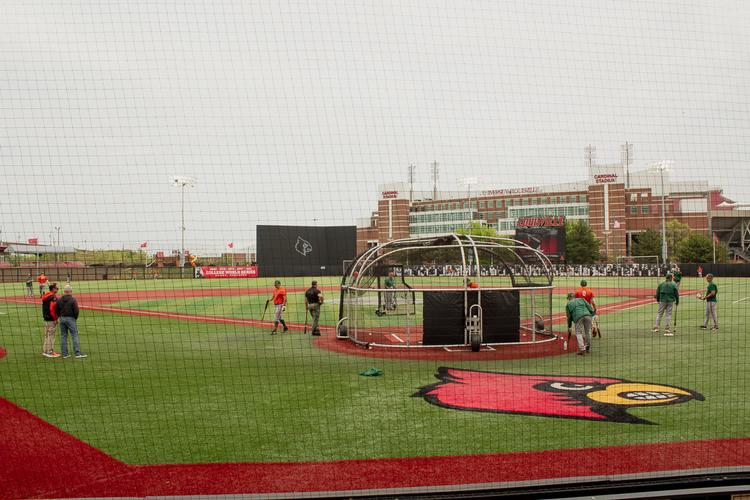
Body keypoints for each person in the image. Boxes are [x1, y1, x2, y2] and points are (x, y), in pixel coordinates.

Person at [57, 285, 86, 358]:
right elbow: (76, 311)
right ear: (70, 291)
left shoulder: (60, 299)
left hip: (62, 318)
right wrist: (74, 318)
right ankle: (77, 353)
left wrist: (60, 316)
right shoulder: (73, 299)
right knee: (74, 335)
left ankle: (65, 354)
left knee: (63, 336)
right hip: (71, 318)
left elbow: (57, 309)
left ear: (64, 291)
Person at [41, 283, 60, 358]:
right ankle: (50, 352)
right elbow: (52, 309)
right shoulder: (53, 297)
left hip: (46, 318)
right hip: (51, 318)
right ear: (53, 289)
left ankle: (45, 351)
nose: (57, 290)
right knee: (51, 335)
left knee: (46, 335)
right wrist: (55, 318)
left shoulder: (46, 295)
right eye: (57, 288)